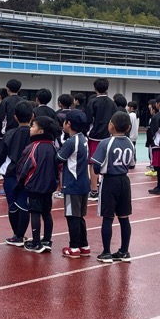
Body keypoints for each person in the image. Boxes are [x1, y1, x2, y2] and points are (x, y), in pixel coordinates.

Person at [91, 111, 137, 263]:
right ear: (129, 127)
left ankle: (106, 252)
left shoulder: (105, 143)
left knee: (107, 217)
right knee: (124, 217)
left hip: (109, 181)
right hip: (124, 181)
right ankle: (124, 250)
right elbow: (131, 164)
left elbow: (96, 166)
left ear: (111, 125)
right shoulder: (130, 143)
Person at [15, 116, 62, 253]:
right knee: (47, 213)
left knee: (35, 213)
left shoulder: (33, 147)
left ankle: (36, 242)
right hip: (49, 187)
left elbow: (23, 166)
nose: (30, 128)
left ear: (40, 131)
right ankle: (47, 240)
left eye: (33, 126)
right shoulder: (53, 147)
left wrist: (21, 181)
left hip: (34, 186)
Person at [0, 100, 33, 245]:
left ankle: (16, 235)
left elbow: (0, 155)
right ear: (32, 116)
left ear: (15, 117)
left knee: (12, 204)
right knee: (24, 204)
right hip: (29, 174)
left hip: (11, 174)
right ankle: (21, 234)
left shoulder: (9, 134)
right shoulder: (34, 134)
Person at [57, 110, 90, 258]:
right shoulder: (84, 139)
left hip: (72, 184)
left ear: (68, 124)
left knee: (72, 216)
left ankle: (74, 246)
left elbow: (58, 158)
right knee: (80, 216)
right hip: (83, 183)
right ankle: (84, 245)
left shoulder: (71, 142)